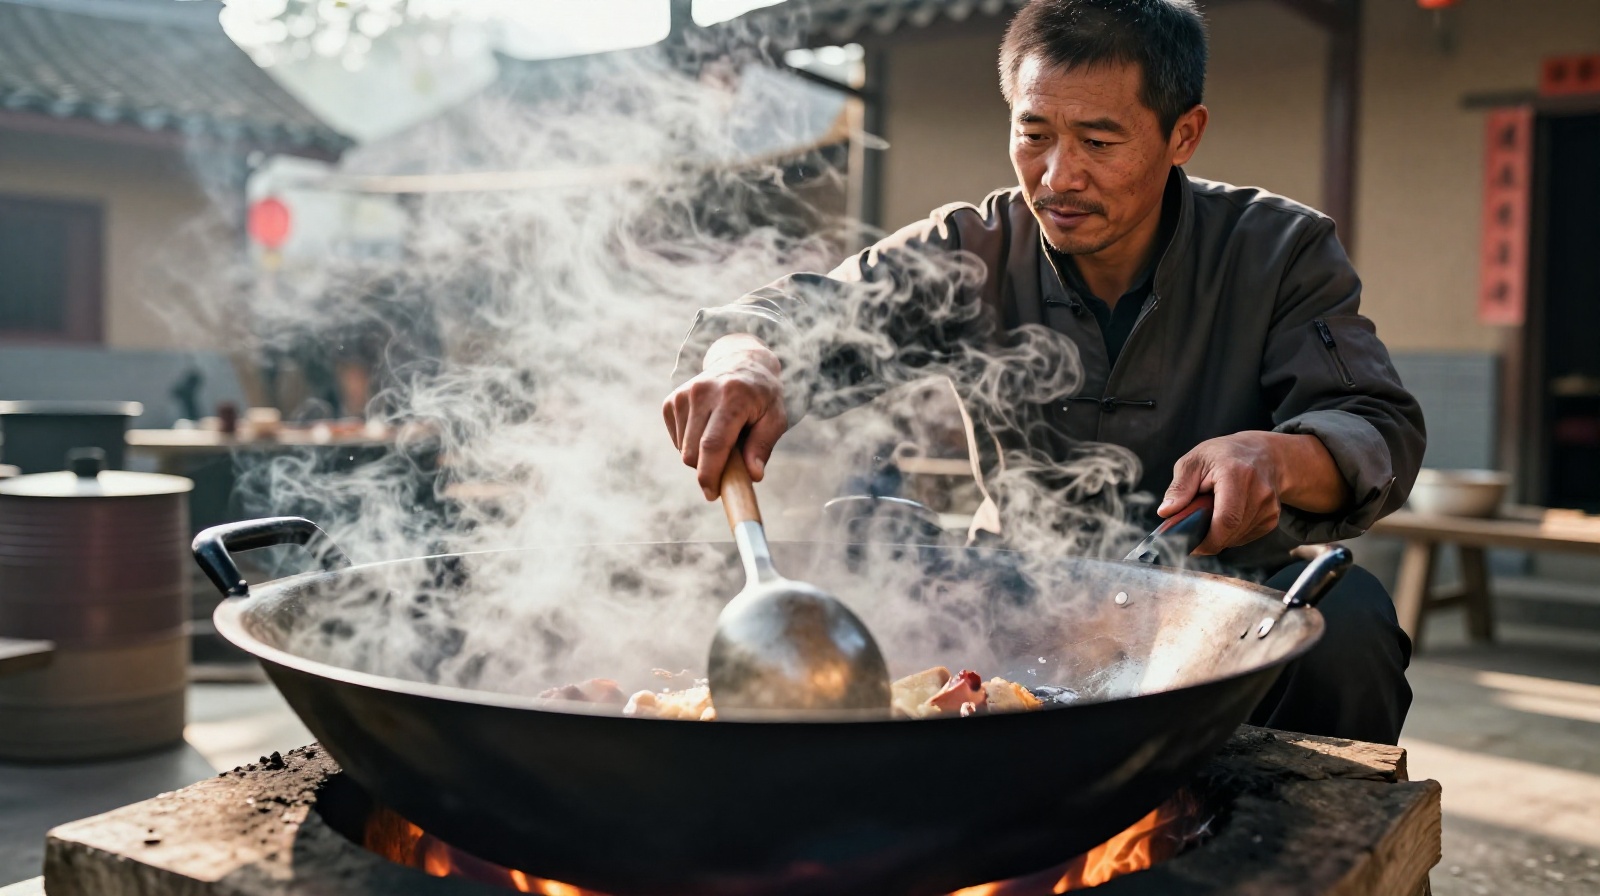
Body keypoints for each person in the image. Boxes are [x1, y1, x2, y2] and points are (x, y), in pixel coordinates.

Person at [662, 0, 1424, 745]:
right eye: (1034, 134)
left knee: (1346, 625)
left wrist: (1276, 457)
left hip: (1215, 600)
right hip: (1021, 595)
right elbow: (798, 315)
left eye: (1099, 141)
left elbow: (1373, 425)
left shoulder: (1276, 250)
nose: (1059, 177)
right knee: (866, 564)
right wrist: (745, 362)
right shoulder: (974, 248)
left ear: (1183, 133)